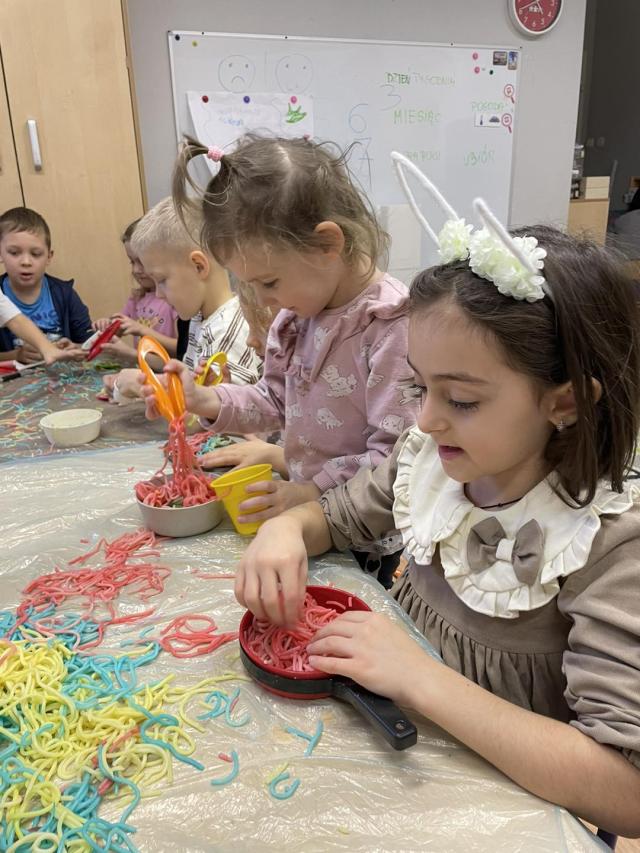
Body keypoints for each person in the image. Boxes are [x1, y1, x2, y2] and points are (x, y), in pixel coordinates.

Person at [231, 202, 640, 836]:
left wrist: (421, 678)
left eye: (463, 399)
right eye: (420, 388)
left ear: (563, 403)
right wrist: (286, 529)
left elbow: (624, 791)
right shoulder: (429, 459)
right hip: (403, 772)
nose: (424, 420)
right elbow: (336, 517)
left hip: (503, 822)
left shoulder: (608, 543)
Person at [144, 135, 420, 587]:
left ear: (327, 244)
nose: (261, 299)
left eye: (268, 282)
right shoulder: (296, 317)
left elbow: (394, 459)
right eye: (249, 284)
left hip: (361, 535)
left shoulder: (391, 325)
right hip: (303, 518)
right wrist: (204, 399)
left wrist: (310, 492)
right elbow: (273, 399)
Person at [107, 197, 261, 401]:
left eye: (162, 280)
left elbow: (215, 409)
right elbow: (193, 389)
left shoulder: (227, 331)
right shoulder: (198, 319)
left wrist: (142, 384)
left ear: (199, 266)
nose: (159, 294)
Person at [198, 280, 286, 475]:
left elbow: (334, 468)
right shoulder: (280, 382)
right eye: (249, 328)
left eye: (264, 329)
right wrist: (219, 397)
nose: (249, 341)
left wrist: (275, 457)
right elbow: (263, 424)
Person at [0, 207, 92, 361]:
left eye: (36, 254)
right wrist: (16, 355)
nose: (26, 262)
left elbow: (88, 343)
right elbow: (15, 321)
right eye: (14, 253)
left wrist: (73, 348)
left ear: (49, 257)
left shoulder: (65, 294)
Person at [92, 219, 177, 361]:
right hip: (143, 367)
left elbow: (181, 349)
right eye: (132, 262)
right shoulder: (137, 298)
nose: (136, 270)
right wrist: (108, 326)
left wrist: (142, 330)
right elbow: (119, 330)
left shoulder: (175, 298)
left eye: (142, 262)